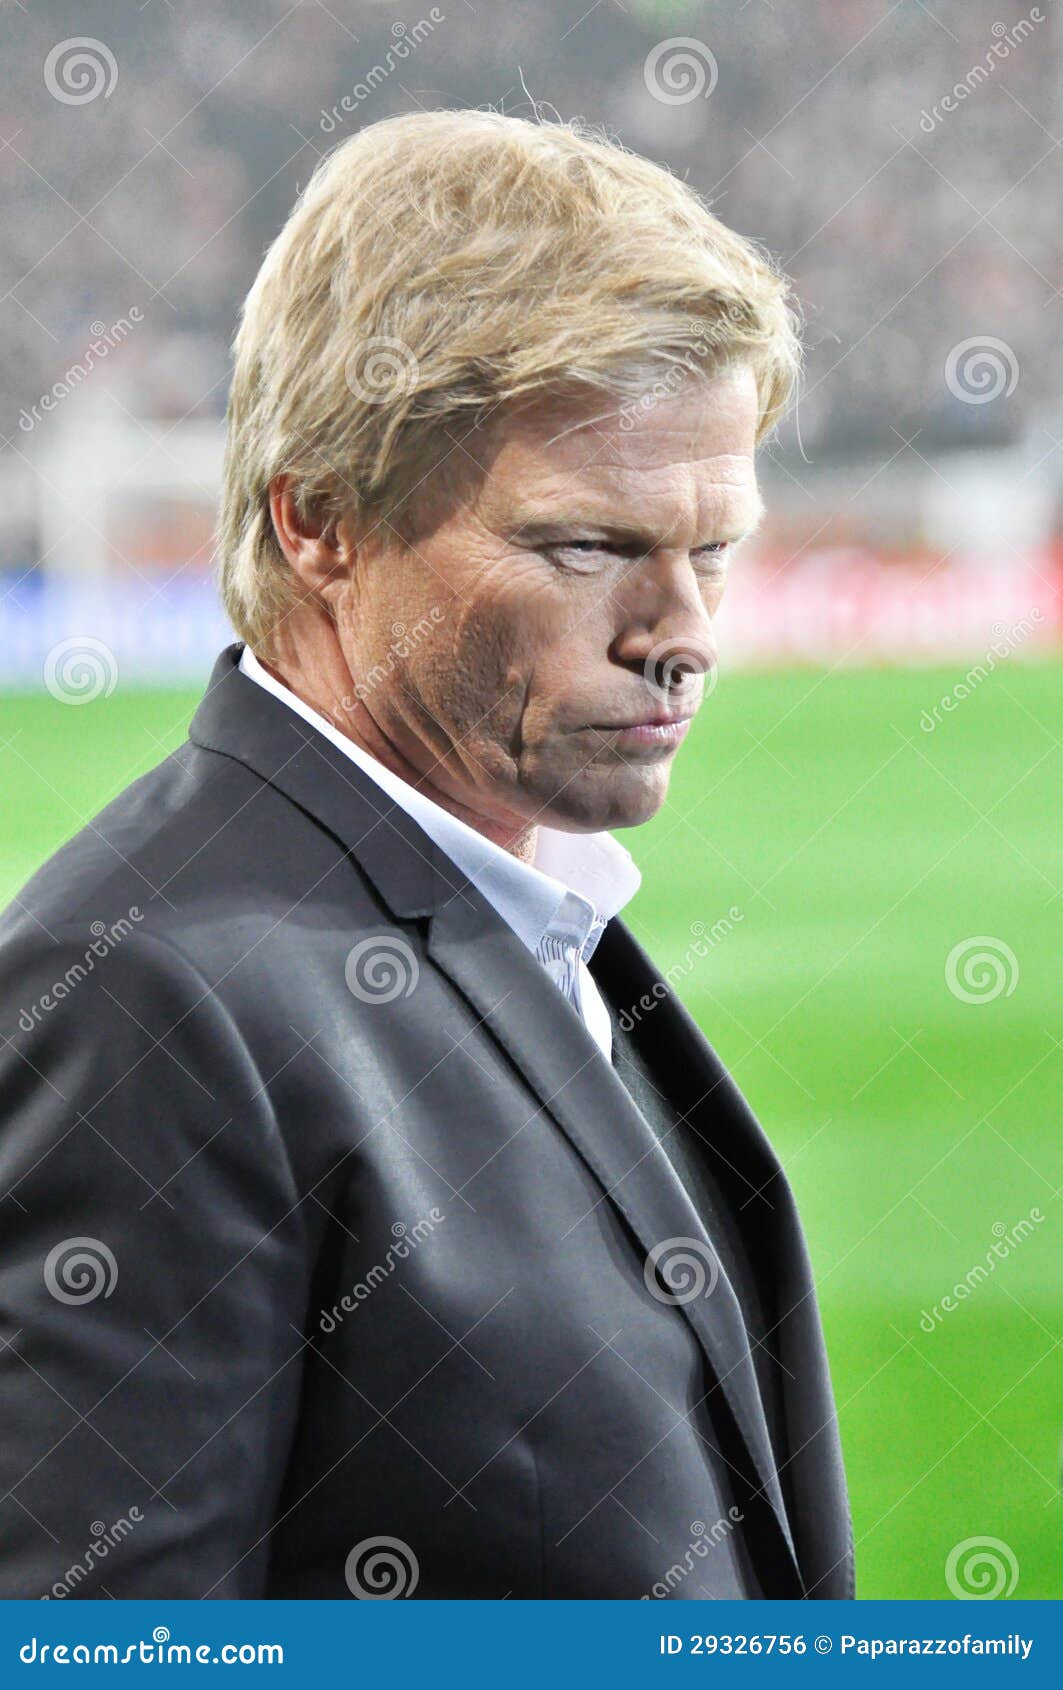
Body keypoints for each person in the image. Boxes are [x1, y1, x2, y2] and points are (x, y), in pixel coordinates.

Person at [0, 110, 852, 1600]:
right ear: (322, 520)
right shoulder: (150, 996)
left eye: (712, 549)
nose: (684, 635)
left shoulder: (525, 901)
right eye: (589, 547)